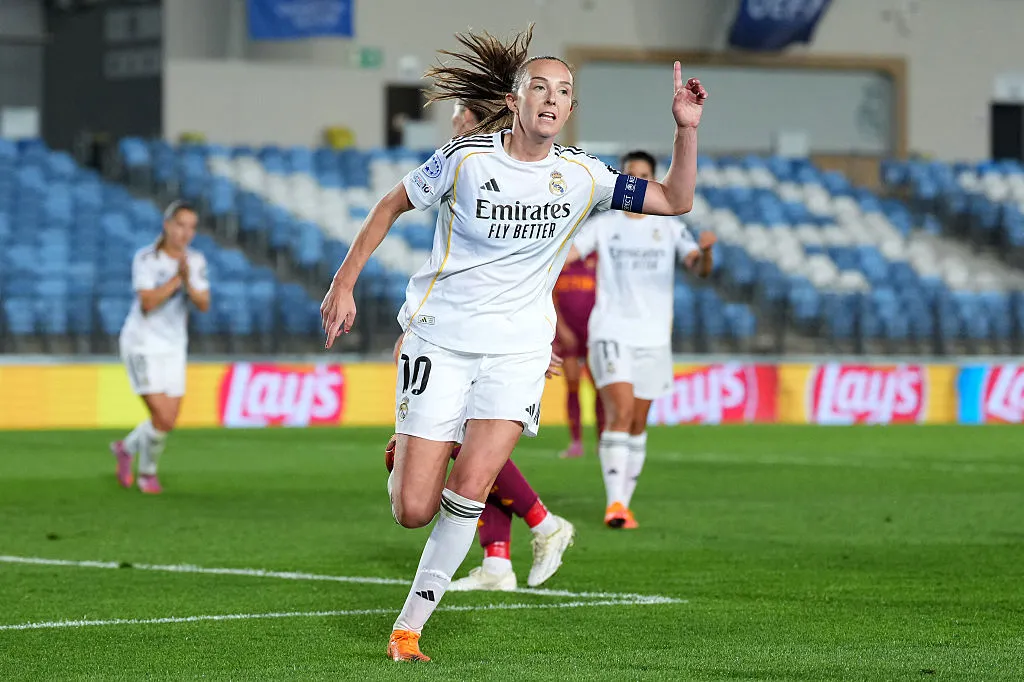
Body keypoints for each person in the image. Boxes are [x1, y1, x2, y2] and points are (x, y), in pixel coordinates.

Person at [320, 24, 707, 662]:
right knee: (414, 508)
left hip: (519, 353)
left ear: (570, 108)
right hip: (440, 341)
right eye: (541, 88)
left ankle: (408, 629)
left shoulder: (583, 176)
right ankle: (418, 445)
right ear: (518, 99)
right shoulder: (466, 159)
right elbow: (389, 206)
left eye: (565, 92)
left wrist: (685, 128)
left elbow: (675, 199)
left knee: (471, 488)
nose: (552, 100)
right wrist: (344, 284)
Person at [386, 98, 576, 594]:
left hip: (493, 339)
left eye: (456, 116)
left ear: (473, 118)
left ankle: (541, 521)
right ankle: (499, 558)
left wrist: (531, 335)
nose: (452, 125)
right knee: (468, 454)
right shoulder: (470, 169)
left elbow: (521, 262)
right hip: (456, 326)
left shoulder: (481, 160)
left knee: (470, 453)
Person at [565, 150, 716, 530]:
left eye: (644, 175)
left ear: (654, 179)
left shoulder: (668, 226)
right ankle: (614, 503)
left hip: (653, 338)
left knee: (638, 423)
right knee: (620, 412)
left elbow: (698, 267)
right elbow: (567, 253)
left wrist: (708, 253)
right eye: (630, 174)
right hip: (611, 331)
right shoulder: (605, 224)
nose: (637, 180)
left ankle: (623, 503)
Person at [110, 201, 210, 494]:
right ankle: (147, 474)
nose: (185, 233)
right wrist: (178, 278)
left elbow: (204, 304)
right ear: (167, 225)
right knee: (163, 417)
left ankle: (125, 448)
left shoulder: (196, 261)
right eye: (181, 225)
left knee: (168, 421)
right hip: (142, 344)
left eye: (191, 227)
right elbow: (148, 302)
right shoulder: (146, 259)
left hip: (174, 346)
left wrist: (189, 278)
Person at [552, 249, 605, 458]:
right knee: (572, 384)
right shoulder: (561, 258)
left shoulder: (597, 259)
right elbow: (551, 298)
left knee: (599, 386)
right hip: (568, 333)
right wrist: (562, 330)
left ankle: (602, 441)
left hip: (593, 332)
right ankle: (576, 442)